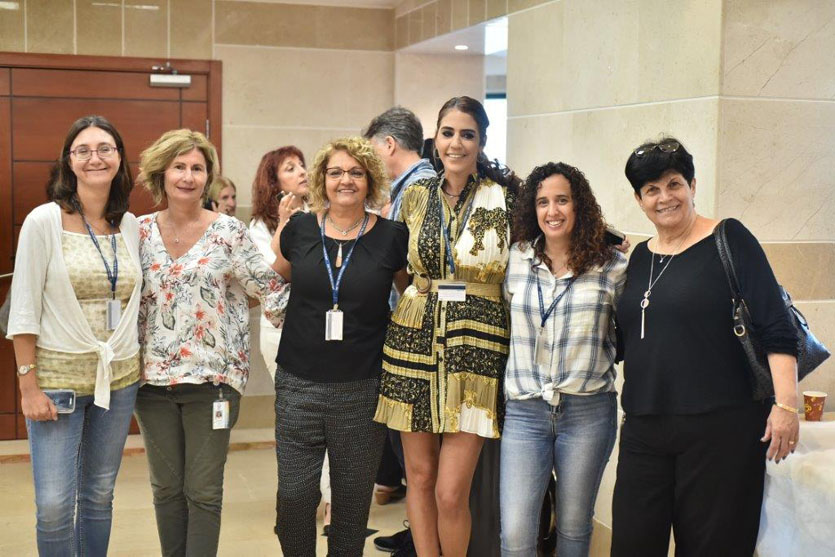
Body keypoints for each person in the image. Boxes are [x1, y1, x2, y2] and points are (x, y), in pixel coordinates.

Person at [610, 137, 800, 555]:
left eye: (674, 184)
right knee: (632, 544)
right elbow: (627, 340)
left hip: (722, 429)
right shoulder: (639, 258)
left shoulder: (729, 238)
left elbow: (776, 325)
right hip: (644, 425)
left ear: (692, 185)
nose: (665, 198)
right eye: (652, 190)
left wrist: (787, 405)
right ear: (639, 200)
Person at [374, 96, 520, 557]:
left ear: (482, 141)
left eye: (467, 134)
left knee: (451, 491)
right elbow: (398, 267)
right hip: (413, 340)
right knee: (419, 476)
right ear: (435, 139)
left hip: (477, 345)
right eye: (448, 133)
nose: (456, 143)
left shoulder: (506, 197)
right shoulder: (415, 194)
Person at [135, 129, 288, 556]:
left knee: (203, 492)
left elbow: (269, 289)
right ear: (162, 174)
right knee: (166, 489)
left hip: (214, 384)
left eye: (197, 168)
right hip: (151, 383)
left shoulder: (228, 232)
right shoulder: (139, 232)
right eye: (179, 167)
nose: (188, 176)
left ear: (208, 177)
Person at [7, 115, 141, 555]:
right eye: (82, 150)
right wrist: (28, 386)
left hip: (118, 381)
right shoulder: (44, 221)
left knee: (99, 494)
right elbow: (23, 308)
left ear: (119, 159)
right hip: (57, 384)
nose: (94, 158)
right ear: (69, 161)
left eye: (105, 149)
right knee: (53, 506)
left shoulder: (129, 225)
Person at [272, 136, 408, 556]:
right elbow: (273, 283)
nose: (345, 180)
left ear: (370, 180)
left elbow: (410, 299)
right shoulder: (299, 229)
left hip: (363, 386)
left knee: (350, 504)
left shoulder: (391, 236)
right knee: (295, 497)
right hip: (298, 384)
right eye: (335, 172)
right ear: (322, 179)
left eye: (355, 172)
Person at [501, 162, 626, 556]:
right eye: (543, 202)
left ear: (578, 206)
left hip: (587, 411)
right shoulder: (515, 259)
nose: (552, 211)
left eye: (562, 200)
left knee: (573, 527)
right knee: (516, 533)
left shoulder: (612, 266)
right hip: (525, 411)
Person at [363, 107, 437, 548]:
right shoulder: (403, 188)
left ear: (388, 144)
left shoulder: (420, 188)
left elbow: (411, 269)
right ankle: (418, 532)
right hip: (406, 326)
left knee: (417, 451)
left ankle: (422, 537)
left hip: (416, 330)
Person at [248, 146, 308, 378]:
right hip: (280, 325)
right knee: (287, 394)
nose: (302, 172)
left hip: (315, 319)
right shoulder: (260, 226)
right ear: (274, 183)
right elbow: (270, 275)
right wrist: (285, 222)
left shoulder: (319, 213)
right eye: (290, 169)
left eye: (302, 165)